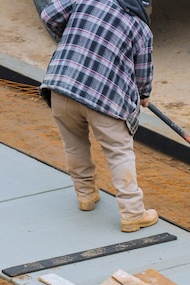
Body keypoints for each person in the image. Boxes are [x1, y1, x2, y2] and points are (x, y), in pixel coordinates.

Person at [39, 0, 158, 232]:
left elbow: (49, 15)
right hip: (105, 97)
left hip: (62, 86)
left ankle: (86, 196)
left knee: (74, 145)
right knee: (119, 153)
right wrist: (143, 93)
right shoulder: (141, 29)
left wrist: (70, 38)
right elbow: (142, 72)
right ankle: (133, 213)